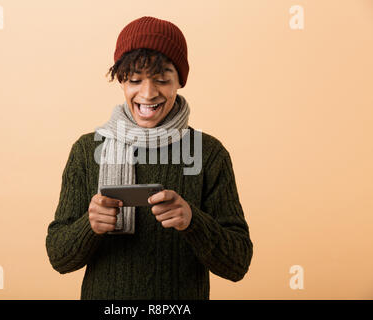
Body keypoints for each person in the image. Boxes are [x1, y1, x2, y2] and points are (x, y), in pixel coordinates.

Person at [45, 16, 253, 300]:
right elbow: (59, 257)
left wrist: (193, 221)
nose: (148, 93)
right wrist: (89, 226)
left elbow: (238, 263)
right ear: (121, 80)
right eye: (135, 80)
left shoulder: (208, 153)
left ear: (180, 81)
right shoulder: (86, 151)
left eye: (162, 79)